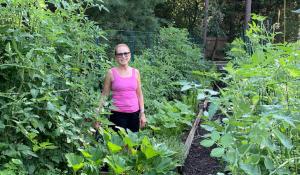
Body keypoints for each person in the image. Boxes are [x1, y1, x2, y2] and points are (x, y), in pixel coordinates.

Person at [95, 43, 147, 132]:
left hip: (134, 114)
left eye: (126, 53)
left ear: (130, 55)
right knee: (117, 144)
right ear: (115, 57)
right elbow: (104, 95)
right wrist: (97, 115)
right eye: (119, 54)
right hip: (117, 115)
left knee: (133, 144)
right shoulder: (111, 73)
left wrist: (142, 113)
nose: (123, 56)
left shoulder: (136, 72)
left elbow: (139, 94)